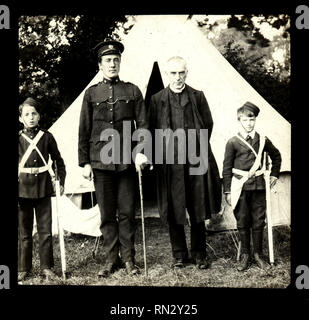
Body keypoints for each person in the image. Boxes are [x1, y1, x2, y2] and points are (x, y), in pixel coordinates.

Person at [78, 39, 149, 277]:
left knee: (128, 212)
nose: (112, 64)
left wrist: (141, 152)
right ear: (100, 64)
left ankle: (129, 259)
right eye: (107, 60)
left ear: (120, 62)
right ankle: (111, 260)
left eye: (116, 60)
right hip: (100, 162)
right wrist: (85, 161)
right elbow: (84, 129)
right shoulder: (91, 93)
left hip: (127, 162)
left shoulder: (132, 91)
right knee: (107, 213)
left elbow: (144, 125)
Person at [148, 56, 222, 269]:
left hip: (195, 159)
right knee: (174, 207)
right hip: (170, 163)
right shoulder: (157, 99)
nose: (178, 77)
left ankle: (199, 253)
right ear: (166, 74)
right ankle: (179, 254)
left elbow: (208, 124)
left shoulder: (198, 97)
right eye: (173, 73)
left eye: (181, 73)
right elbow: (151, 130)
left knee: (198, 205)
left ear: (186, 73)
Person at [222, 102, 281, 271]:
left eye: (252, 119)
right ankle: (245, 255)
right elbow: (226, 168)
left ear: (255, 120)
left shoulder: (263, 140)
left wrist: (275, 174)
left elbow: (276, 156)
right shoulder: (232, 142)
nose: (249, 123)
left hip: (259, 187)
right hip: (239, 187)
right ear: (239, 120)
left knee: (258, 221)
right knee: (242, 220)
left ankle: (257, 254)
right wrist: (227, 190)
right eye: (245, 120)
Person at [18, 97, 66, 282]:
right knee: (24, 232)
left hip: (44, 188)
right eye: (27, 114)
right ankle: (23, 267)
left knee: (45, 231)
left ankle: (47, 267)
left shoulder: (47, 137)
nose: (31, 117)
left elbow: (58, 161)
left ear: (39, 116)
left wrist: (60, 180)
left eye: (34, 114)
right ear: (20, 118)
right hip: (22, 189)